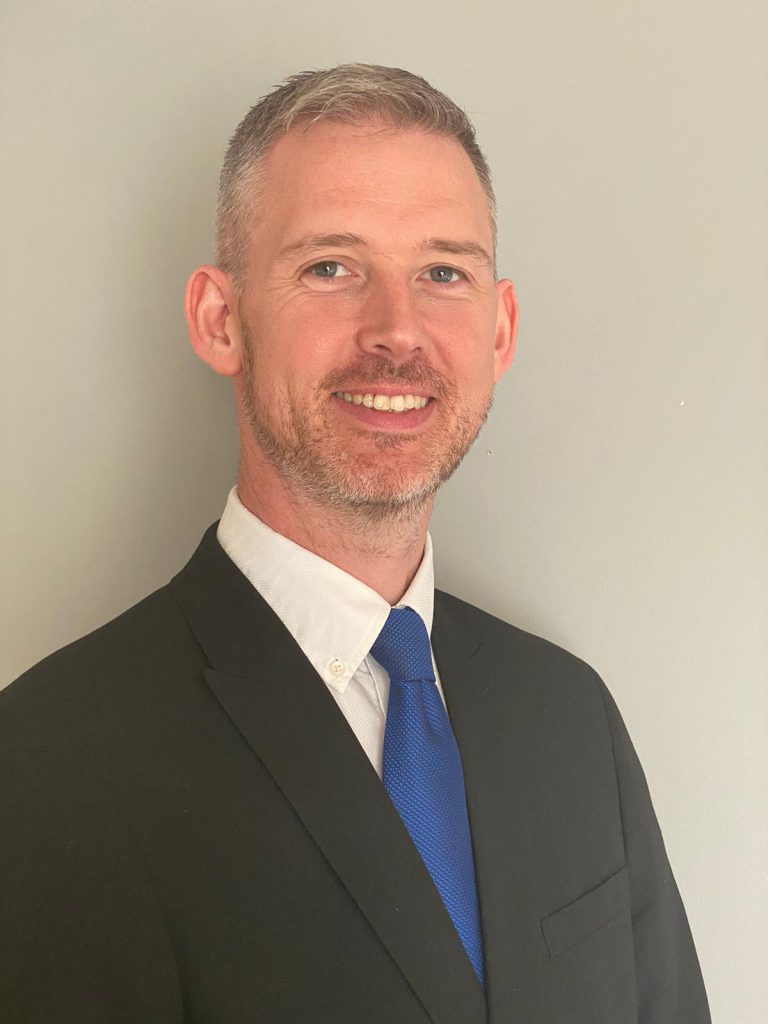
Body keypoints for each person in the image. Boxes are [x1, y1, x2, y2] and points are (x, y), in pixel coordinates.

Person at [0, 64, 709, 1023]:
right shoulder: (50, 761)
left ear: (500, 330)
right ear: (221, 319)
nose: (396, 332)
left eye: (443, 273)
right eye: (331, 267)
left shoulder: (571, 718)